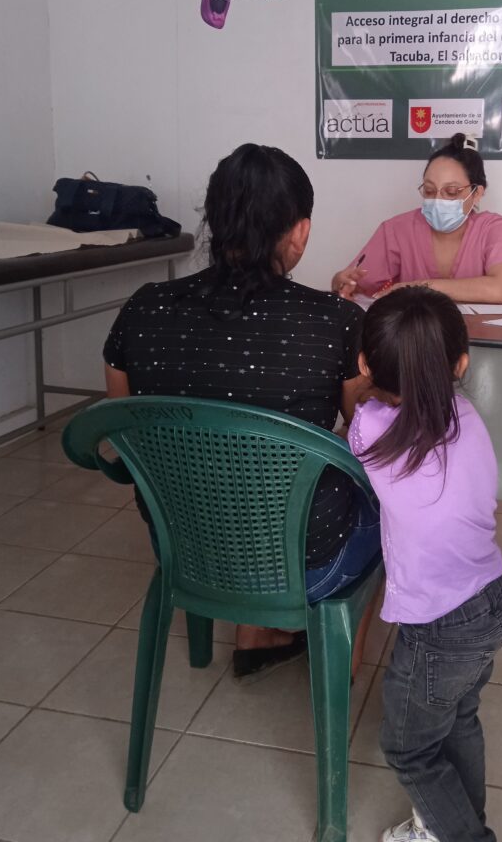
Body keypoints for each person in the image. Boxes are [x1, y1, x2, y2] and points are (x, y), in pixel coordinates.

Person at [103, 143, 381, 676]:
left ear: (213, 222)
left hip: (183, 551)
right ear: (300, 232)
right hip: (304, 565)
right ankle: (338, 662)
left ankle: (255, 631)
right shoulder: (335, 322)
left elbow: (128, 434)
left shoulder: (142, 309)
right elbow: (365, 433)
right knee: (385, 503)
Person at [348, 287, 502, 842]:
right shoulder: (467, 414)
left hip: (442, 627)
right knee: (459, 718)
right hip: (493, 600)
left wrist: (364, 381)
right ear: (461, 365)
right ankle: (449, 825)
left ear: (365, 365)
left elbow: (356, 407)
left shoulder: (370, 430)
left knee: (409, 748)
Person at [332, 133, 502, 304]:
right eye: (429, 191)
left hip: (478, 330)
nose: (438, 200)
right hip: (413, 331)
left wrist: (417, 287)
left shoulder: (493, 228)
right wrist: (341, 283)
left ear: (476, 193)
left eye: (451, 192)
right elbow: (356, 286)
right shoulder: (397, 229)